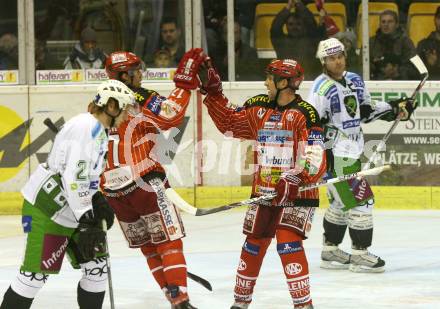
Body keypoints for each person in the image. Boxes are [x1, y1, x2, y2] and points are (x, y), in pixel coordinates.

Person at [200, 57, 326, 309]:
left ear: (284, 82)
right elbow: (229, 123)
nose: (265, 82)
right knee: (253, 245)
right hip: (264, 193)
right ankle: (240, 302)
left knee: (288, 243)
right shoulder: (258, 107)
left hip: (296, 192)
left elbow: (316, 155)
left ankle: (304, 305)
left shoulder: (306, 114)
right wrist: (214, 94)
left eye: (270, 78)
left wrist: (296, 177)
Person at [0, 79, 138, 308]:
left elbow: (85, 175)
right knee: (34, 277)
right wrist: (86, 214)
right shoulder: (87, 128)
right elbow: (74, 176)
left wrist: (96, 198)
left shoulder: (98, 130)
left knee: (97, 271)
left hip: (75, 208)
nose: (126, 116)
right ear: (111, 106)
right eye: (123, 109)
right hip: (48, 209)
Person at [102, 48, 206, 309]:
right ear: (124, 75)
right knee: (169, 241)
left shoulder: (99, 101)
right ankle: (180, 299)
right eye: (136, 71)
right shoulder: (137, 96)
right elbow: (172, 116)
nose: (140, 75)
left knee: (149, 246)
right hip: (143, 181)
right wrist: (183, 84)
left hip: (113, 191)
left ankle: (172, 296)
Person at [307, 38, 417, 273]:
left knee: (340, 201)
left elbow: (364, 113)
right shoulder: (320, 88)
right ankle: (360, 253)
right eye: (331, 58)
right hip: (336, 156)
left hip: (352, 152)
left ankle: (330, 250)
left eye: (340, 56)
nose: (337, 61)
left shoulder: (355, 80)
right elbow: (311, 126)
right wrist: (319, 161)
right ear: (323, 61)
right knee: (361, 200)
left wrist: (394, 109)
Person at [270, 0, 327, 79]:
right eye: (291, 24)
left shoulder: (311, 40)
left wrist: (298, 4)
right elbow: (275, 27)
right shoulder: (281, 41)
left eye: (298, 24)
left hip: (307, 82)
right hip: (285, 83)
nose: (294, 27)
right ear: (286, 25)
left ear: (304, 25)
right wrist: (288, 7)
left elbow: (310, 22)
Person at [369, 10, 416, 80]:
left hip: (401, 84)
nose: (386, 24)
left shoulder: (406, 42)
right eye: (383, 22)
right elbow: (362, 65)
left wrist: (397, 71)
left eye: (390, 21)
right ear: (380, 24)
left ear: (396, 24)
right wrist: (379, 68)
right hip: (375, 83)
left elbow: (413, 67)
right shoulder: (371, 42)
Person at [417, 6, 440, 79]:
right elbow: (415, 72)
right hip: (430, 87)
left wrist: (436, 64)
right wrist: (428, 66)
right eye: (439, 18)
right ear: (435, 19)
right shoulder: (423, 45)